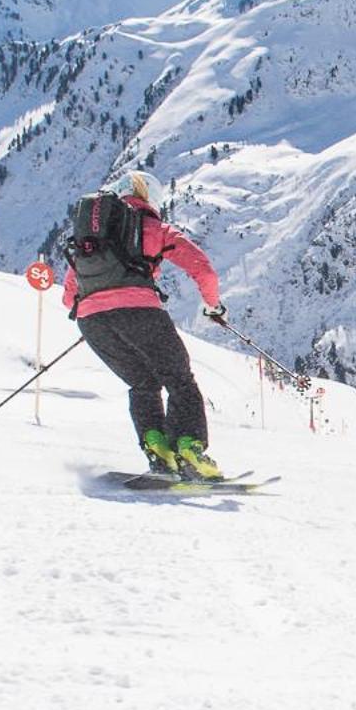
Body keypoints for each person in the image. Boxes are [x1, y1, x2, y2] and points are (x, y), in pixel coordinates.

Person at [62, 169, 229, 479]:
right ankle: (190, 449)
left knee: (143, 384)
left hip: (92, 322)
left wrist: (102, 307)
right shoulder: (153, 229)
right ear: (150, 199)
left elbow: (68, 294)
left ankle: (159, 452)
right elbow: (203, 270)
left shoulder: (92, 241)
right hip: (140, 313)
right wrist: (213, 305)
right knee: (179, 379)